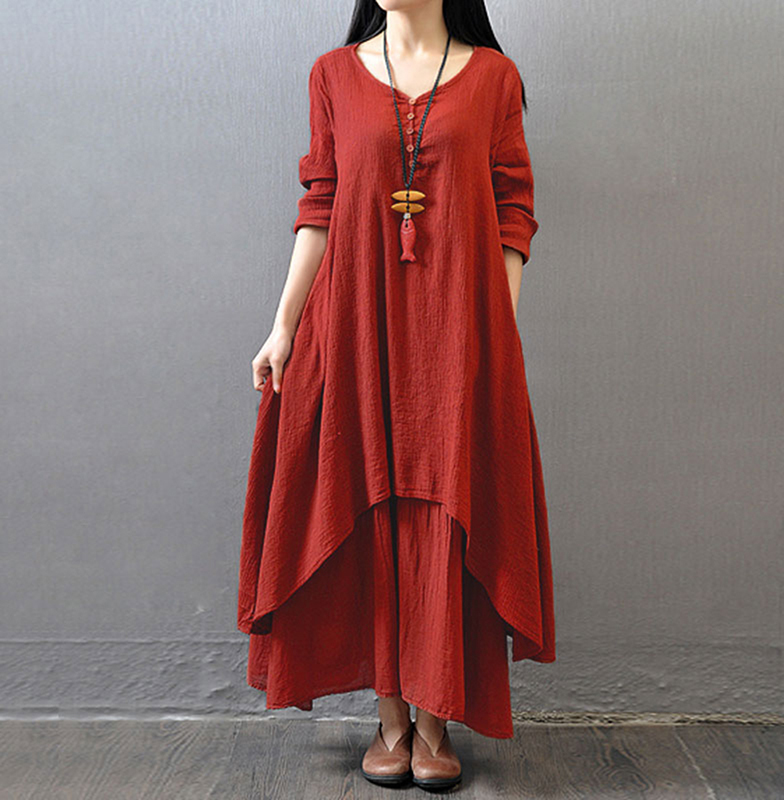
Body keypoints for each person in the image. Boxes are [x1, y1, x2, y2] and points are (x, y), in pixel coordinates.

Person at [237, 0, 555, 791]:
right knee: (368, 497)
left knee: (446, 505)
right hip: (356, 325)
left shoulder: (495, 79)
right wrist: (282, 327)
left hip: (459, 332)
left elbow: (513, 212)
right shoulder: (332, 76)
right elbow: (321, 207)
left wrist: (494, 331)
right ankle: (390, 719)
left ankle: (436, 718)